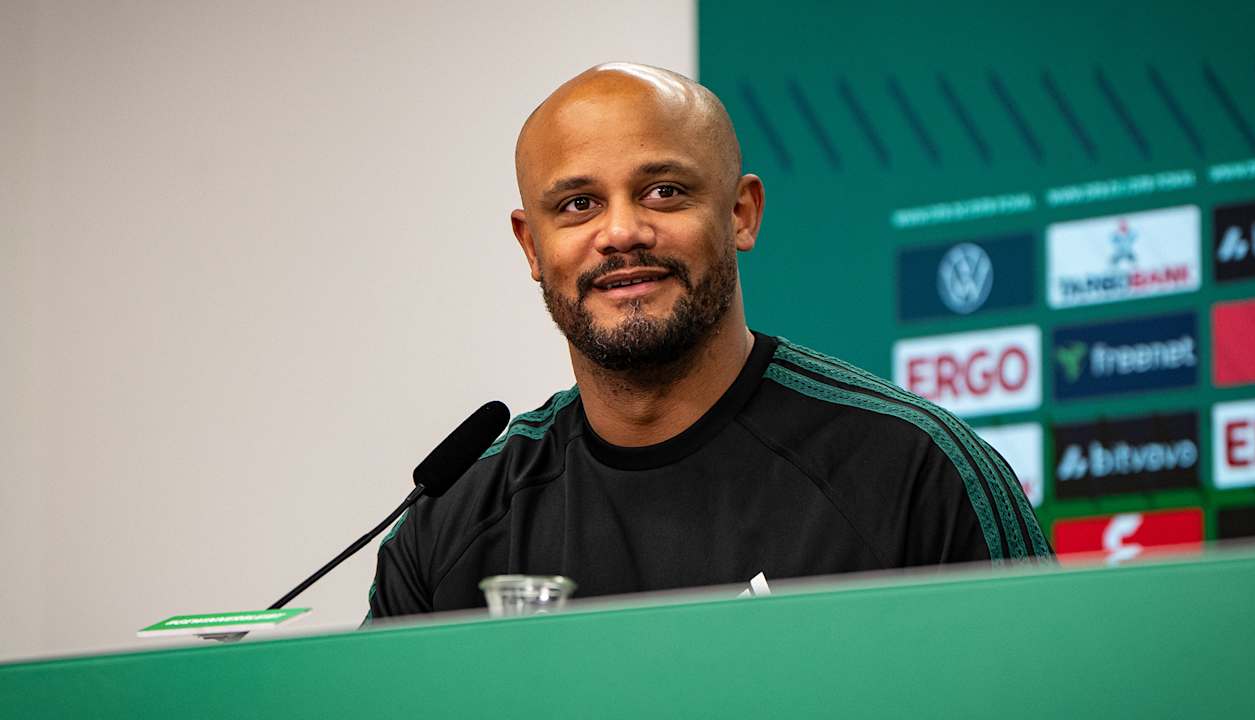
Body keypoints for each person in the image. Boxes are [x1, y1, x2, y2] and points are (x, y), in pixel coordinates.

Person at [366, 63, 1051, 619]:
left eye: (663, 191)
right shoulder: (448, 526)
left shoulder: (918, 472)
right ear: (532, 246)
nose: (621, 232)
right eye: (578, 205)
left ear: (741, 213)